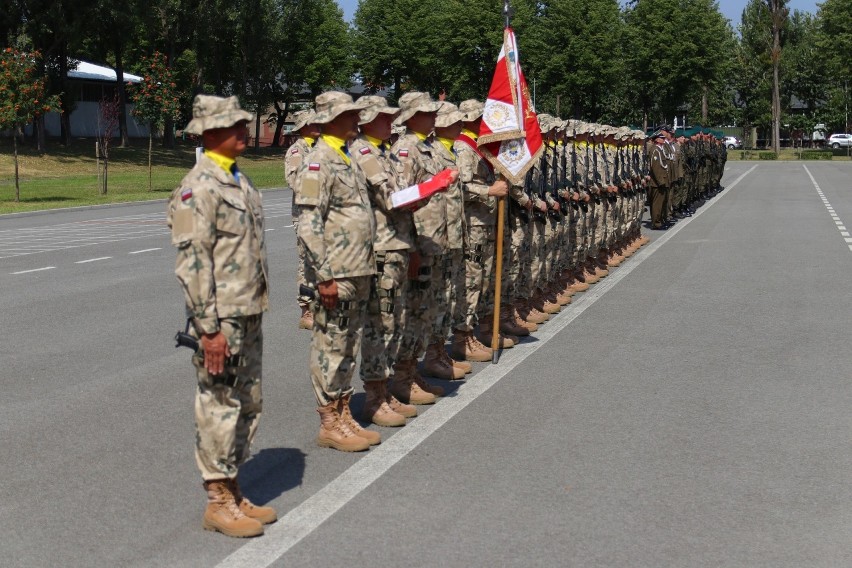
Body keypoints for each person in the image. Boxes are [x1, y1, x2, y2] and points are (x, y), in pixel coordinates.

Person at [167, 94, 275, 538]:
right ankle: (217, 501)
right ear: (209, 132)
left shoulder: (238, 180)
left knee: (247, 402)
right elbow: (192, 265)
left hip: (248, 310)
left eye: (242, 124)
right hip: (221, 319)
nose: (242, 131)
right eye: (233, 125)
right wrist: (207, 328)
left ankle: (232, 486)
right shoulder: (199, 188)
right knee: (218, 403)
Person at [295, 91, 379, 452]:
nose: (356, 120)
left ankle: (344, 413)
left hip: (358, 267)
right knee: (330, 343)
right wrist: (324, 275)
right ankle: (330, 421)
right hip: (337, 271)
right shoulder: (319, 161)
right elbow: (308, 225)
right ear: (330, 120)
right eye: (349, 115)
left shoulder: (347, 156)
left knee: (349, 341)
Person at [349, 95, 419, 426]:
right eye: (383, 117)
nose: (390, 121)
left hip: (396, 244)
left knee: (396, 320)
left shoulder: (382, 151)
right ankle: (375, 397)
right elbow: (391, 197)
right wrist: (428, 189)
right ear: (367, 120)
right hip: (381, 246)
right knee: (383, 323)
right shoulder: (364, 152)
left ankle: (387, 389)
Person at [285, 109, 319, 330]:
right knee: (306, 264)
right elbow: (295, 181)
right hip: (305, 214)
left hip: (322, 214)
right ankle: (306, 310)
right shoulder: (298, 150)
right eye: (312, 122)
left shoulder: (319, 147)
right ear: (304, 126)